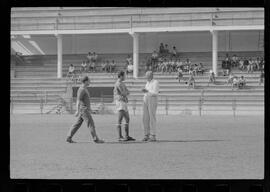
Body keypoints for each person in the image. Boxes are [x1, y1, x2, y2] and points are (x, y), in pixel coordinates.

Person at [66, 76, 104, 143]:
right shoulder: (82, 89)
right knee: (91, 124)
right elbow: (78, 100)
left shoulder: (84, 89)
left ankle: (69, 137)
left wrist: (91, 110)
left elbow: (86, 101)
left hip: (84, 110)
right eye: (89, 80)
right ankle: (96, 139)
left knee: (77, 124)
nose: (90, 82)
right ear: (85, 81)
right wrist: (77, 110)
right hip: (84, 110)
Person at [114, 71, 136, 142]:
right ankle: (119, 136)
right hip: (120, 102)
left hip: (123, 102)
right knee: (119, 119)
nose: (125, 77)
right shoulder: (118, 84)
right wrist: (125, 93)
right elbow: (124, 93)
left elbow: (127, 92)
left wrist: (126, 93)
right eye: (124, 75)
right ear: (120, 76)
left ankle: (127, 136)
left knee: (127, 118)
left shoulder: (122, 83)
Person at [142, 71, 159, 142]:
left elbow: (155, 93)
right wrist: (145, 91)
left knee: (152, 117)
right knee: (145, 118)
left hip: (152, 100)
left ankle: (153, 135)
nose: (146, 77)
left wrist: (147, 91)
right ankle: (146, 134)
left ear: (150, 76)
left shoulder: (155, 82)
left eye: (147, 76)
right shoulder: (147, 82)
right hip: (146, 100)